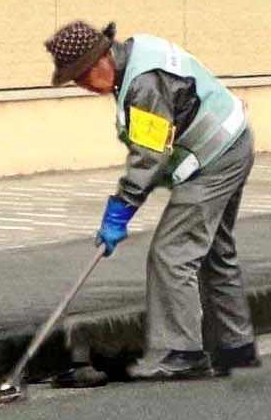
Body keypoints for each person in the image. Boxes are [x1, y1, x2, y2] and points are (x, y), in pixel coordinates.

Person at [44, 21, 256, 379]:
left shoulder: (143, 84)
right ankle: (234, 349)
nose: (81, 85)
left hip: (215, 158)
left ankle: (182, 353)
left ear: (100, 59)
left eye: (80, 76)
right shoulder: (134, 56)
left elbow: (149, 156)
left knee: (171, 254)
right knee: (215, 252)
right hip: (232, 142)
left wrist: (120, 209)